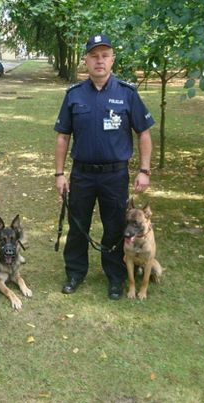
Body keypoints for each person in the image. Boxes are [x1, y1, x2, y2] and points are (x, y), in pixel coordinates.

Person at [54, 34, 155, 300]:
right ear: (86, 60)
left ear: (112, 60)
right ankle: (75, 273)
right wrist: (60, 174)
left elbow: (143, 133)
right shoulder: (74, 95)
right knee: (78, 227)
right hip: (83, 174)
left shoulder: (127, 93)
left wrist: (144, 170)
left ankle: (115, 276)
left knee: (114, 227)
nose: (99, 60)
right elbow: (63, 136)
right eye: (94, 56)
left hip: (115, 175)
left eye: (105, 55)